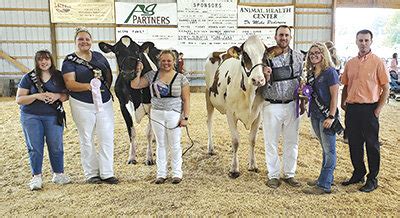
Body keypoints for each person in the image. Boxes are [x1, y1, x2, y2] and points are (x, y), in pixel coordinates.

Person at [62, 27, 118, 184]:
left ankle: (107, 172)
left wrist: (102, 89)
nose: (84, 42)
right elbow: (70, 84)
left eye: (87, 39)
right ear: (75, 42)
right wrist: (90, 86)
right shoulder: (69, 61)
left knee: (106, 136)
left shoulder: (99, 57)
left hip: (104, 102)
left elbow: (108, 75)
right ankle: (92, 173)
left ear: (91, 41)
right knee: (86, 137)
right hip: (81, 103)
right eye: (80, 39)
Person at [340, 29, 389, 192]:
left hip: (370, 109)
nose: (363, 43)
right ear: (356, 41)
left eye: (366, 40)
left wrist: (378, 110)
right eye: (360, 40)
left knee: (372, 145)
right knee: (354, 143)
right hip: (352, 109)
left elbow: (386, 87)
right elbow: (346, 84)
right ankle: (358, 173)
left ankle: (373, 178)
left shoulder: (378, 62)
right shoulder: (350, 63)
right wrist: (343, 103)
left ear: (371, 42)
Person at [131, 50, 190, 184]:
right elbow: (135, 85)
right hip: (156, 113)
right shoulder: (152, 75)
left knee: (175, 144)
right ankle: (161, 174)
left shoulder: (181, 78)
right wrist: (138, 72)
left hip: (174, 113)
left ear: (174, 61)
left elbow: (186, 99)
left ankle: (176, 173)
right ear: (159, 61)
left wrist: (185, 117)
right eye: (163, 60)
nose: (166, 63)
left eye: (169, 60)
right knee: (161, 144)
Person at [16, 50, 71, 190]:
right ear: (36, 61)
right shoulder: (28, 77)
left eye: (46, 59)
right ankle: (36, 177)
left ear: (51, 60)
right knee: (35, 147)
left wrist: (57, 95)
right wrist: (36, 96)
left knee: (56, 145)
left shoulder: (58, 76)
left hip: (53, 115)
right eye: (40, 59)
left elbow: (66, 95)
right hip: (31, 116)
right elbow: (20, 99)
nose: (44, 62)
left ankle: (58, 174)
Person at [261, 25, 305, 189]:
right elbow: (257, 81)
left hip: (292, 104)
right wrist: (264, 75)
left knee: (292, 141)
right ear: (275, 37)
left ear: (290, 37)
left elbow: (302, 79)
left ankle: (289, 174)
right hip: (271, 104)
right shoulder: (265, 57)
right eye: (281, 35)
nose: (284, 38)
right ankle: (273, 175)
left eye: (286, 35)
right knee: (271, 141)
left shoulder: (299, 56)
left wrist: (303, 93)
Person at [301, 43, 340, 195]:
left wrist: (331, 116)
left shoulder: (330, 72)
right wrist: (303, 92)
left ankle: (324, 185)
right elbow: (310, 93)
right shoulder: (311, 73)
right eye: (311, 54)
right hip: (315, 114)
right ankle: (324, 178)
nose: (314, 55)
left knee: (330, 151)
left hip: (326, 116)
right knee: (325, 149)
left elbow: (335, 97)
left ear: (324, 54)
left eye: (317, 52)